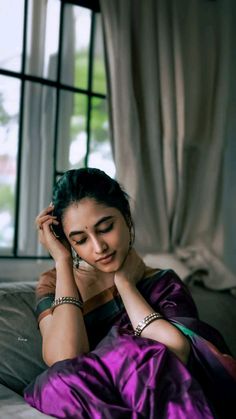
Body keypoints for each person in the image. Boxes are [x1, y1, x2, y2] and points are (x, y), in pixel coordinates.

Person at [24, 168, 236, 418]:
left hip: (166, 393)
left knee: (131, 352)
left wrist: (125, 284)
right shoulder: (53, 283)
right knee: (55, 382)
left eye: (105, 228)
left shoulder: (161, 281)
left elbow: (175, 348)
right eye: (80, 240)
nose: (98, 247)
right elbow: (65, 359)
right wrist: (61, 261)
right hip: (95, 394)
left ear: (126, 217)